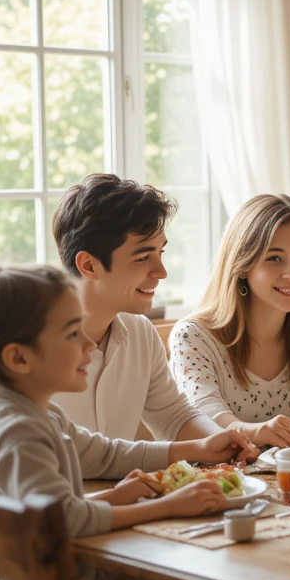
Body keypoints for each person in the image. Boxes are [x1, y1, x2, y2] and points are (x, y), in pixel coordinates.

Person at [0, 263, 282, 580]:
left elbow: (105, 454)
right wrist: (165, 505)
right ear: (18, 357)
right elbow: (62, 521)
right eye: (72, 334)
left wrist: (195, 449)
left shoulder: (33, 414)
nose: (89, 342)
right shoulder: (17, 432)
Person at [50, 174, 238, 447]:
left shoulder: (140, 333)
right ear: (89, 265)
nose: (161, 272)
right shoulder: (32, 347)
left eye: (160, 253)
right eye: (142, 258)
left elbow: (174, 417)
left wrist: (231, 442)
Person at [169, 194, 290, 448]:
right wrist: (263, 433)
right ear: (242, 265)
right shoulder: (192, 337)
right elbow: (205, 419)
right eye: (274, 258)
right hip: (224, 483)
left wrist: (278, 438)